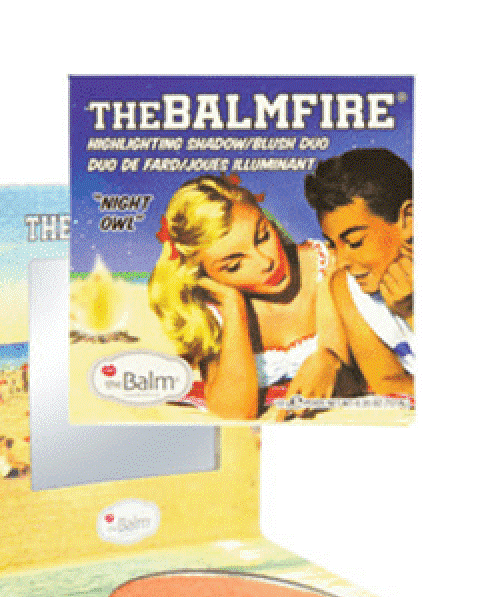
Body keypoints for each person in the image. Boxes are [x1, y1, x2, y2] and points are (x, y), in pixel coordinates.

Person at [148, 174, 344, 420]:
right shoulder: (214, 316)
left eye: (262, 237)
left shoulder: (330, 266)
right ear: (204, 274)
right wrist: (233, 306)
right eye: (234, 266)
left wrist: (331, 361)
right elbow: (236, 413)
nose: (266, 261)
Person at [304, 148, 414, 398]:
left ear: (408, 219)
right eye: (333, 244)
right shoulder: (346, 289)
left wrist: (412, 313)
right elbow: (387, 382)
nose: (340, 261)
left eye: (354, 242)